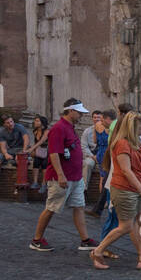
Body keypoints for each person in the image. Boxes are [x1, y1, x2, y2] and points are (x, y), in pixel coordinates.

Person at [88, 111, 141, 270]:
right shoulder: (122, 143)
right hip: (125, 189)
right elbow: (126, 170)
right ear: (132, 126)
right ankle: (98, 251)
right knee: (126, 226)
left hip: (138, 189)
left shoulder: (136, 142)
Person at [30, 100, 97, 252]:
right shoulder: (59, 128)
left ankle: (85, 240)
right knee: (51, 208)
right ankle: (37, 239)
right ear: (71, 111)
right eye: (79, 112)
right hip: (62, 178)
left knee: (79, 206)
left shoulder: (70, 127)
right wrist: (60, 175)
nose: (81, 115)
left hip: (75, 177)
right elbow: (54, 153)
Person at [0, 112, 30, 193]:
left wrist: (22, 153)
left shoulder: (19, 127)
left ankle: (18, 186)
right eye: (8, 122)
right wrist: (6, 154)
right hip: (11, 150)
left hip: (21, 149)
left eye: (11, 121)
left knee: (18, 162)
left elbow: (26, 139)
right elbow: (3, 147)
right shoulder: (2, 133)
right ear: (4, 124)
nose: (10, 124)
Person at [26, 114, 50, 191]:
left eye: (37, 121)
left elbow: (41, 141)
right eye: (35, 120)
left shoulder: (47, 131)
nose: (35, 122)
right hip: (39, 151)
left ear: (42, 123)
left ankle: (44, 184)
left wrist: (31, 149)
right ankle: (35, 182)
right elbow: (35, 142)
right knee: (36, 162)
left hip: (47, 151)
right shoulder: (35, 131)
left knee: (44, 164)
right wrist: (33, 150)